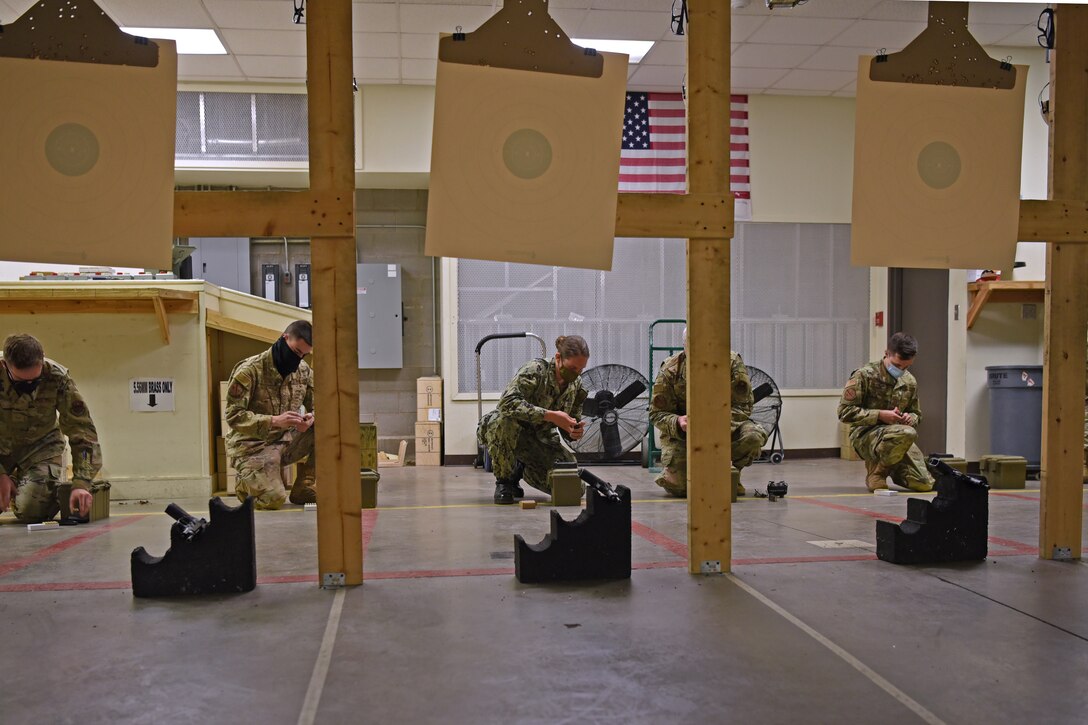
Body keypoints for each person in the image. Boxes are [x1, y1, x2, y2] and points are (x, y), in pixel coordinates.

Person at [649, 328, 767, 498]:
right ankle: (690, 472)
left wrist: (712, 424)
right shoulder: (671, 370)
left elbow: (744, 406)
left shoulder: (731, 363)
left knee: (752, 436)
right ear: (685, 347)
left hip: (725, 427)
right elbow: (657, 413)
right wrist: (678, 421)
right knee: (683, 490)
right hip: (684, 435)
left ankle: (731, 474)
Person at [478, 335, 590, 505]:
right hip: (512, 432)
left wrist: (573, 431)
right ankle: (505, 482)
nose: (576, 374)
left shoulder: (577, 386)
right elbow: (507, 404)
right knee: (502, 421)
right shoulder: (535, 371)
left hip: (541, 440)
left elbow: (570, 421)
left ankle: (520, 468)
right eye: (573, 368)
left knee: (573, 487)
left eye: (580, 370)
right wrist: (550, 415)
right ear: (559, 358)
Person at [0, 334, 100, 523]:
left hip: (41, 449)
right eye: (21, 383)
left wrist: (82, 482)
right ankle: (12, 479)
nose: (29, 387)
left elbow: (82, 431)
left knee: (32, 512)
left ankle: (23, 483)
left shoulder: (57, 377)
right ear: (5, 365)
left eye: (35, 381)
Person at [225, 320, 316, 509]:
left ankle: (304, 488)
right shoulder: (250, 370)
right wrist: (274, 421)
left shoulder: (303, 371)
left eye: (305, 354)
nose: (299, 359)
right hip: (253, 446)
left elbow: (319, 405)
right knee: (273, 500)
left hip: (286, 441)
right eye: (297, 352)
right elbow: (234, 415)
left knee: (329, 428)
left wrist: (310, 418)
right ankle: (245, 482)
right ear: (285, 338)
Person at [837, 332, 935, 493]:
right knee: (907, 433)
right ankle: (877, 473)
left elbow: (916, 413)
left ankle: (892, 463)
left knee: (924, 484)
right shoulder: (864, 375)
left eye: (907, 366)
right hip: (865, 435)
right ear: (886, 353)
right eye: (897, 365)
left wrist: (910, 417)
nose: (902, 370)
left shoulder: (909, 381)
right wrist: (880, 415)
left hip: (898, 435)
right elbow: (844, 412)